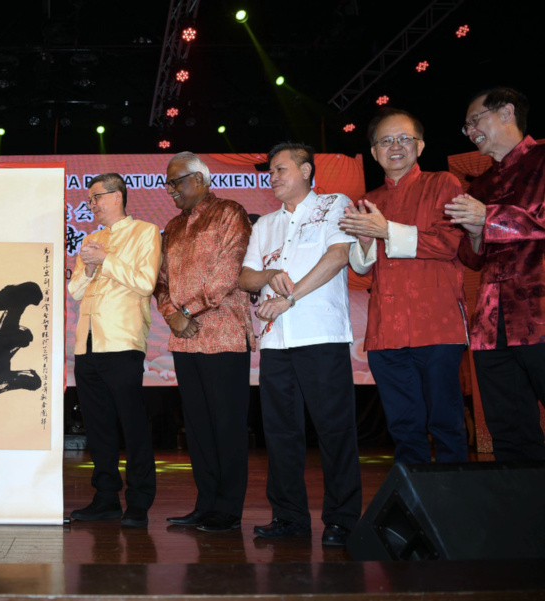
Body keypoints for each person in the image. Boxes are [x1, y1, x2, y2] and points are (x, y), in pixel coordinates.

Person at [239, 142, 361, 547]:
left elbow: (338, 256)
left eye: (281, 169)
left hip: (320, 336)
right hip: (276, 343)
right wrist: (268, 275)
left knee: (334, 430)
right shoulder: (265, 225)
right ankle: (289, 516)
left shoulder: (333, 204)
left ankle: (342, 519)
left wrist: (289, 298)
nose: (272, 177)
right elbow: (246, 278)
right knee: (280, 432)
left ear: (307, 170)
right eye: (270, 171)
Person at [338, 109, 468, 465]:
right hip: (386, 330)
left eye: (403, 139)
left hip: (437, 324)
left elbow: (448, 244)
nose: (395, 146)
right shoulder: (369, 200)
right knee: (404, 427)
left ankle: (454, 511)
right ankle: (414, 511)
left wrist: (385, 232)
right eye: (385, 141)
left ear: (420, 146)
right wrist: (365, 239)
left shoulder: (443, 183)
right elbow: (362, 266)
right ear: (374, 152)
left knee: (446, 422)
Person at [154, 152, 255, 532]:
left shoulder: (230, 213)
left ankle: (228, 510)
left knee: (226, 425)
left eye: (176, 182)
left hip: (224, 335)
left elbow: (228, 271)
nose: (170, 190)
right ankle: (206, 503)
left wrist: (188, 312)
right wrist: (172, 315)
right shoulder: (173, 227)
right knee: (197, 427)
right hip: (184, 340)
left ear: (199, 179)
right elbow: (160, 281)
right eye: (168, 184)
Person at [445, 87, 545, 461]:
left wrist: (486, 219)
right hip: (492, 323)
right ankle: (522, 516)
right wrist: (474, 232)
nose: (471, 131)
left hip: (539, 312)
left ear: (506, 112)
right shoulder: (482, 184)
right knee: (509, 430)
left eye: (475, 120)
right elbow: (472, 259)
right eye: (466, 126)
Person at [68, 173, 161, 528]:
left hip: (122, 341)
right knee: (98, 426)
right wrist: (90, 267)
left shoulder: (146, 232)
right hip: (87, 342)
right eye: (89, 199)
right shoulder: (91, 239)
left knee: (132, 424)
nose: (91, 205)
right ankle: (105, 498)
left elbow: (145, 282)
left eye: (96, 197)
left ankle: (138, 501)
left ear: (118, 196)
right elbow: (76, 291)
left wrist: (106, 260)